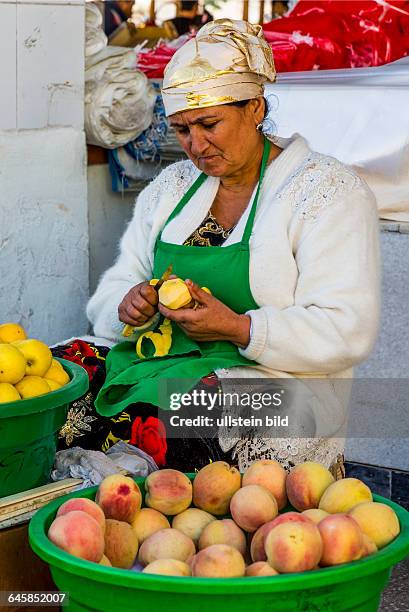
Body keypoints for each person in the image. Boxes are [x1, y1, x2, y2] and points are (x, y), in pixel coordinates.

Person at [59, 20, 380, 477]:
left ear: (255, 107)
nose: (196, 146)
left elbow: (347, 328)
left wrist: (238, 327)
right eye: (182, 130)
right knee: (58, 378)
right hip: (161, 364)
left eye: (210, 124)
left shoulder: (324, 191)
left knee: (199, 414)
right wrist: (128, 304)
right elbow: (114, 288)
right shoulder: (172, 189)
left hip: (280, 381)